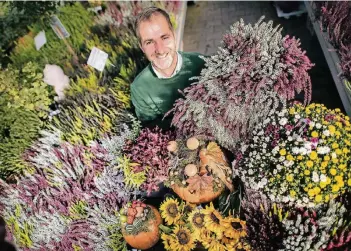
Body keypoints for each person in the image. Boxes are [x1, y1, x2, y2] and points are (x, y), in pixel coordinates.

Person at [131, 6, 206, 129]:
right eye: (149, 42)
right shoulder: (139, 88)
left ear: (174, 34)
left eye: (164, 37)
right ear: (141, 47)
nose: (160, 50)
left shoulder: (199, 62)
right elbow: (151, 128)